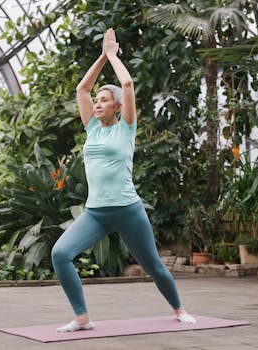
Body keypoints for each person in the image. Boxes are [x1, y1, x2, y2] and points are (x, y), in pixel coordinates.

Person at [51, 28, 196, 333]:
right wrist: (102, 57)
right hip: (96, 212)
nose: (98, 104)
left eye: (105, 100)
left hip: (127, 209)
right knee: (60, 254)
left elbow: (127, 83)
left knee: (153, 266)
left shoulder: (126, 129)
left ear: (117, 107)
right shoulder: (92, 128)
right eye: (98, 101)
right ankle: (82, 318)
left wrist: (114, 56)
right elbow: (82, 89)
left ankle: (179, 309)